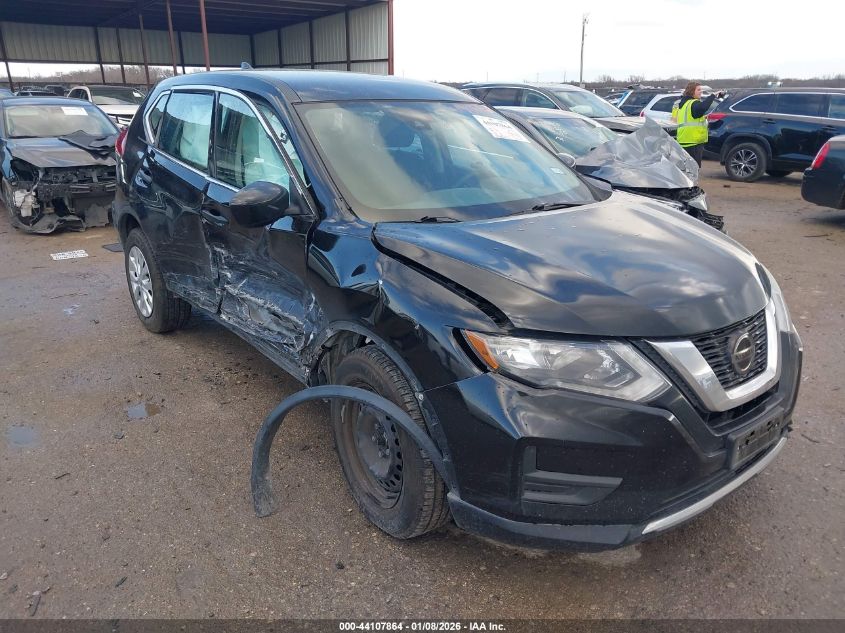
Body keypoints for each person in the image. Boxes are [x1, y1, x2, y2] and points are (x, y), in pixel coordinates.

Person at [671, 81, 724, 166]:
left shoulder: (683, 103)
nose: (701, 92)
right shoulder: (693, 103)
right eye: (698, 90)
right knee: (693, 168)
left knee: (686, 168)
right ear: (692, 91)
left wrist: (703, 117)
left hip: (684, 139)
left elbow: (692, 117)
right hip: (693, 141)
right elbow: (703, 107)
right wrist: (712, 96)